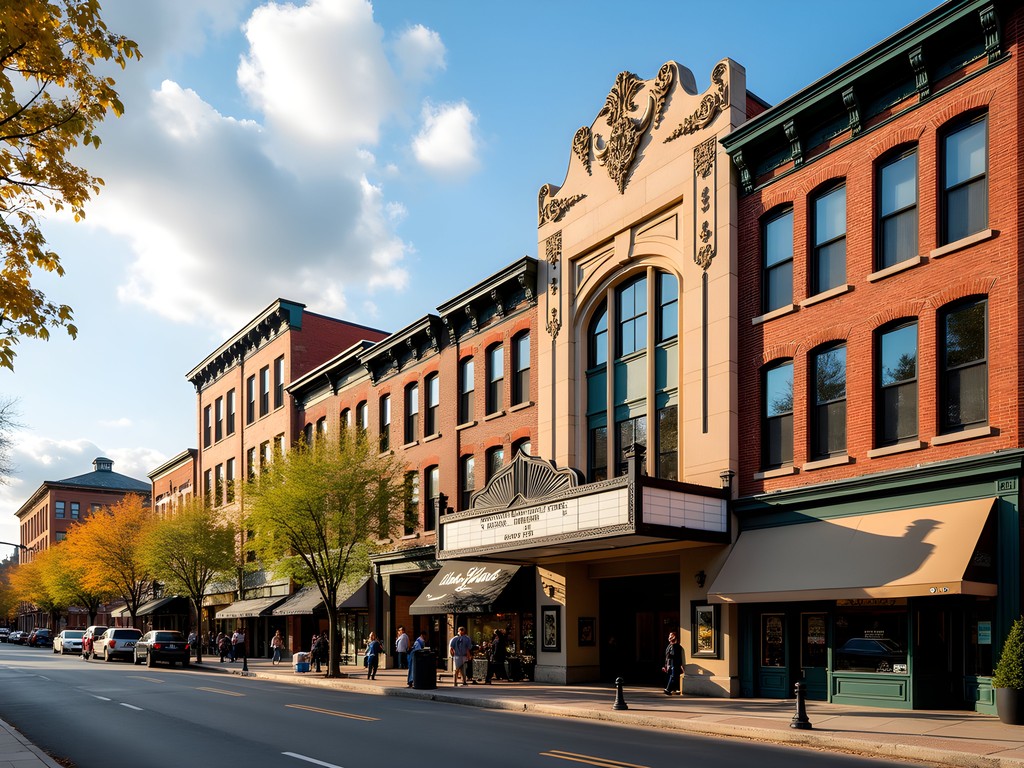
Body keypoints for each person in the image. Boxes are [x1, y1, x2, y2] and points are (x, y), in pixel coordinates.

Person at [664, 631, 684, 695]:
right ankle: (672, 689)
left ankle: (669, 689)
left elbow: (674, 656)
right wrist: (666, 665)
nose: (670, 637)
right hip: (670, 664)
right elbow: (667, 656)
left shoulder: (675, 646)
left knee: (673, 676)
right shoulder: (669, 646)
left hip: (675, 664)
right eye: (669, 635)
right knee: (672, 676)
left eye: (671, 636)